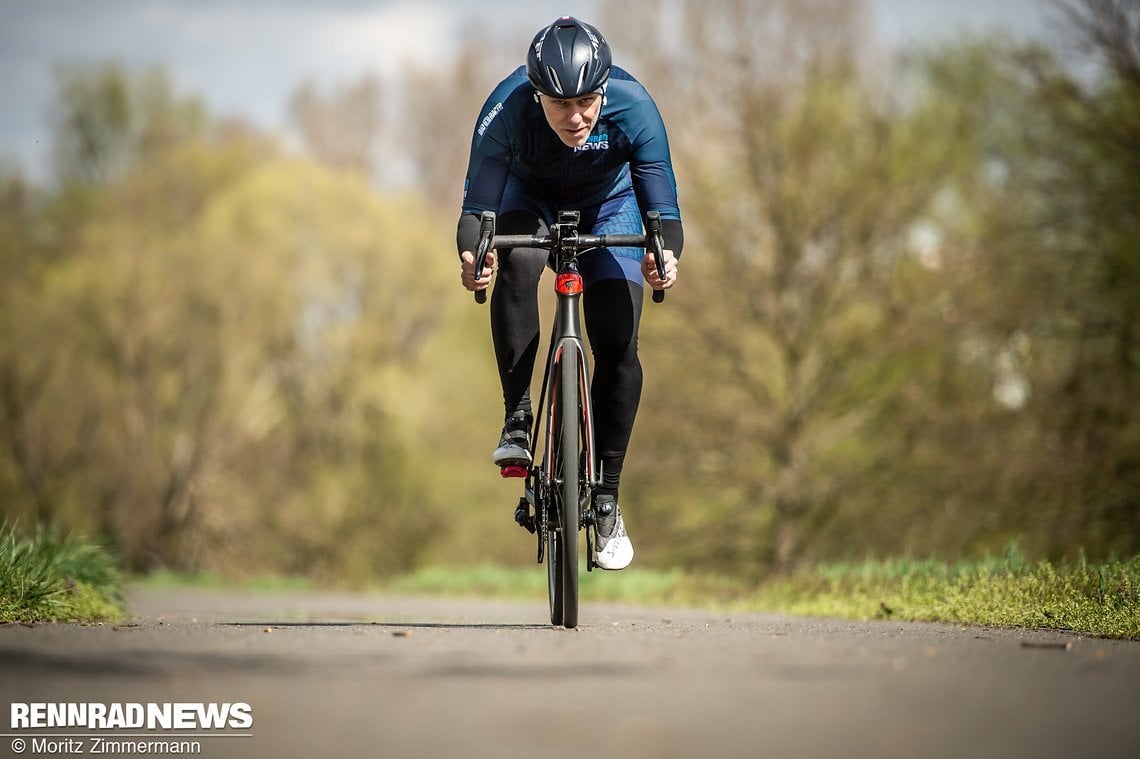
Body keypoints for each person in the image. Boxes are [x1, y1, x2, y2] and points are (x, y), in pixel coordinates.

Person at [456, 17, 683, 570]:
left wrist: (662, 256)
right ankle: (518, 418)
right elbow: (475, 215)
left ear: (603, 90)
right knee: (516, 264)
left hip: (611, 204)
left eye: (586, 101)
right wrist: (475, 257)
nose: (576, 116)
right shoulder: (506, 109)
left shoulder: (636, 107)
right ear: (538, 93)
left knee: (618, 337)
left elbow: (665, 215)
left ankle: (606, 496)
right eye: (560, 104)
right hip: (527, 198)